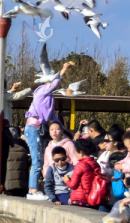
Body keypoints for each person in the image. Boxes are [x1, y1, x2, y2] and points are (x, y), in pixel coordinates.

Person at [24, 61, 74, 200]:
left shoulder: (48, 99)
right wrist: (64, 68)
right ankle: (32, 191)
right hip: (33, 128)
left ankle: (33, 189)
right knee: (37, 160)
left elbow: (54, 119)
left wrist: (68, 133)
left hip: (36, 129)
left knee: (38, 160)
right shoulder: (40, 92)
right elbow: (55, 83)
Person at [63, 138, 100, 207]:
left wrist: (67, 180)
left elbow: (72, 185)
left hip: (80, 199)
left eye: (76, 152)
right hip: (93, 198)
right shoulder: (96, 164)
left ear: (81, 152)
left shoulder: (80, 165)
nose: (75, 154)